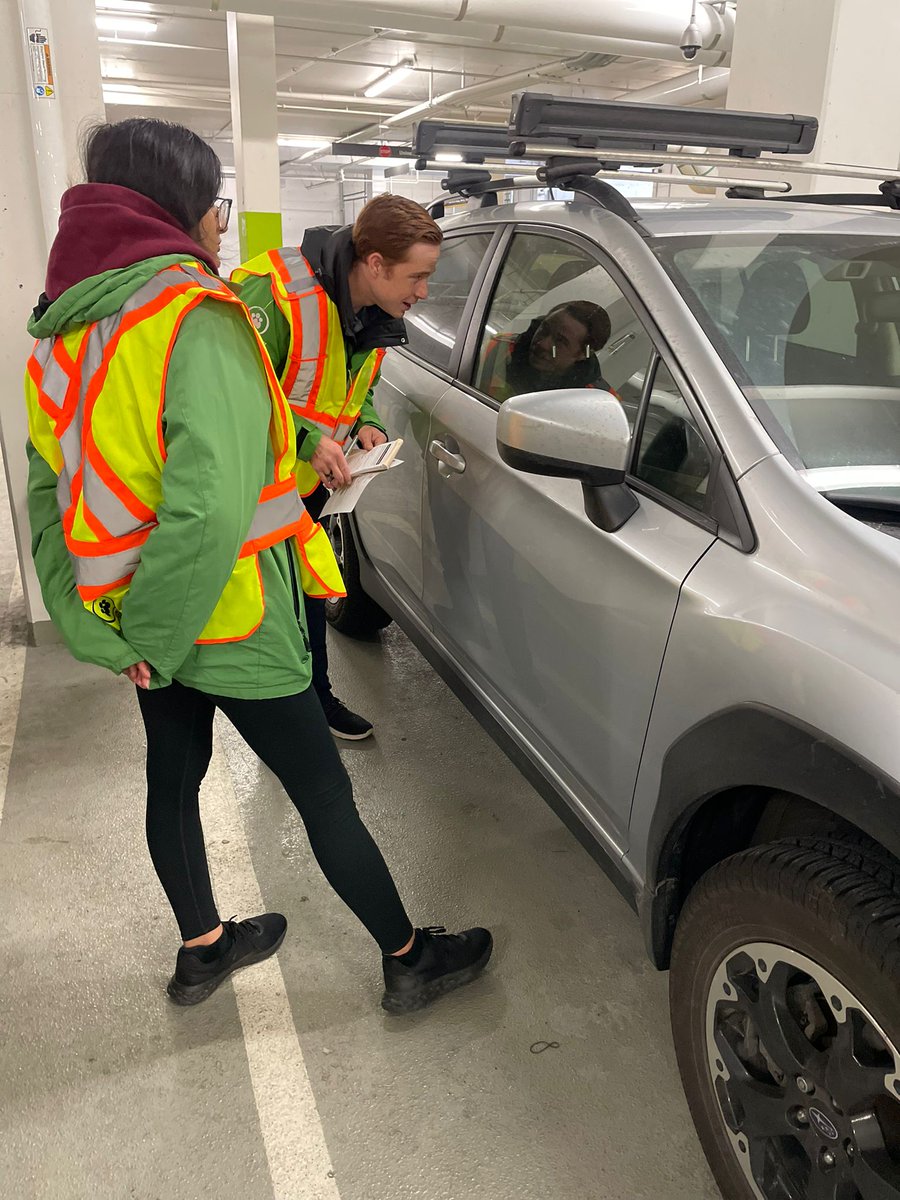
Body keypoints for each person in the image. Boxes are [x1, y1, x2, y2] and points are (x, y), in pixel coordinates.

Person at [24, 117, 492, 1012]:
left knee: (173, 777)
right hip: (227, 613)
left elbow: (49, 489)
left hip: (132, 616)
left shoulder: (61, 329)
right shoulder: (196, 320)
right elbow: (209, 510)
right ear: (184, 211)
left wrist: (102, 628)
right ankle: (407, 959)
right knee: (321, 789)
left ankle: (203, 947)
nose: (220, 226)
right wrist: (161, 638)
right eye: (216, 205)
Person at [231, 194, 443, 741]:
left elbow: (352, 385)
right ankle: (281, 716)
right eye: (416, 278)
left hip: (303, 491)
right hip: (246, 490)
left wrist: (365, 420)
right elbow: (228, 397)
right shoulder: (275, 296)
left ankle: (314, 702)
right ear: (375, 264)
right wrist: (306, 442)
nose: (423, 292)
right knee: (260, 612)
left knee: (307, 592)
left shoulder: (374, 311)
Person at [479, 299, 614, 403]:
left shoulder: (599, 402)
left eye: (560, 341)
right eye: (544, 329)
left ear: (582, 354)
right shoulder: (497, 349)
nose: (543, 344)